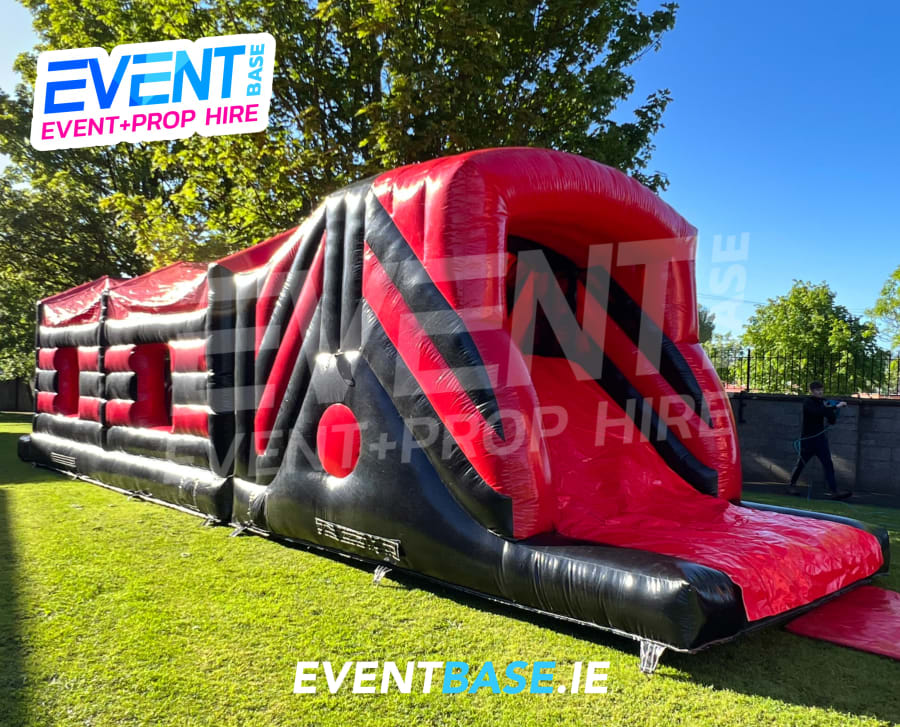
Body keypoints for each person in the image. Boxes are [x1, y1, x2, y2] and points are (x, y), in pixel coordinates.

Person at [787, 381, 851, 499]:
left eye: (821, 389)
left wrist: (834, 412)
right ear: (811, 391)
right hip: (808, 439)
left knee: (828, 464)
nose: (820, 392)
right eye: (817, 390)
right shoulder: (808, 402)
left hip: (820, 440)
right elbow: (817, 412)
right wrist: (835, 406)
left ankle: (834, 491)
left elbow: (831, 419)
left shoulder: (824, 402)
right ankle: (791, 485)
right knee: (801, 463)